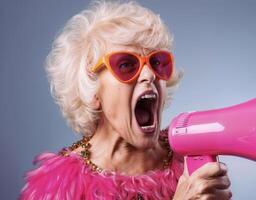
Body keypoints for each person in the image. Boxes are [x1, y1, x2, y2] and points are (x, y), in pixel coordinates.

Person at [20, 1, 232, 199]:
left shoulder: (188, 158)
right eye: (126, 65)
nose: (150, 75)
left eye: (157, 62)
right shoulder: (59, 187)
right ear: (92, 91)